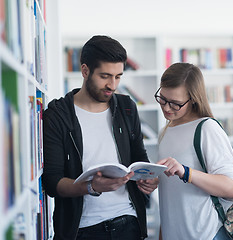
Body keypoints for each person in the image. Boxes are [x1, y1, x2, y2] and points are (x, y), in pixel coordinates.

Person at [42, 35, 158, 240]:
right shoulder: (58, 114)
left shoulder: (127, 107)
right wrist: (91, 187)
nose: (112, 85)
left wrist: (148, 178)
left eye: (118, 76)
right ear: (85, 71)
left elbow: (139, 156)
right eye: (105, 76)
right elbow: (52, 182)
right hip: (81, 230)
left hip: (128, 222)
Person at [155, 63, 233, 240]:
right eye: (162, 98)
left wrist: (186, 172)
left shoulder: (207, 128)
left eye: (175, 103)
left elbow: (231, 187)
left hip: (206, 235)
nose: (166, 108)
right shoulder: (167, 130)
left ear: (193, 99)